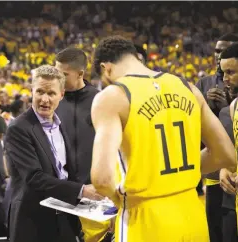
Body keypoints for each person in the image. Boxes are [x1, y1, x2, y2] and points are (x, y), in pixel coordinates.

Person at [90, 36, 236, 242]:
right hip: (192, 214)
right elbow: (226, 154)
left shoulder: (113, 96)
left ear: (106, 68)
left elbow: (101, 179)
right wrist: (177, 174)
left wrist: (120, 201)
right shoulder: (188, 88)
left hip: (145, 219)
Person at [4, 65, 104, 242]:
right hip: (32, 221)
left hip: (63, 219)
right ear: (32, 92)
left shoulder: (61, 124)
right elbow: (34, 177)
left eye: (51, 93)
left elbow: (65, 172)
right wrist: (82, 191)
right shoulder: (18, 128)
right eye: (40, 92)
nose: (44, 99)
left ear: (61, 95)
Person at [55, 47, 110, 242]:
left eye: (63, 75)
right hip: (62, 192)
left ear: (80, 73)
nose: (58, 79)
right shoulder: (53, 101)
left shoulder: (100, 100)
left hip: (94, 191)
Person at [195, 33, 238, 242]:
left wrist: (226, 107)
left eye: (224, 50)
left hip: (228, 167)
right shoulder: (203, 83)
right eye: (217, 51)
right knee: (217, 229)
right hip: (217, 171)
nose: (219, 56)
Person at [222, 42, 238, 242]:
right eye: (223, 72)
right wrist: (224, 168)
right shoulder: (233, 106)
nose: (225, 79)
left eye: (231, 72)